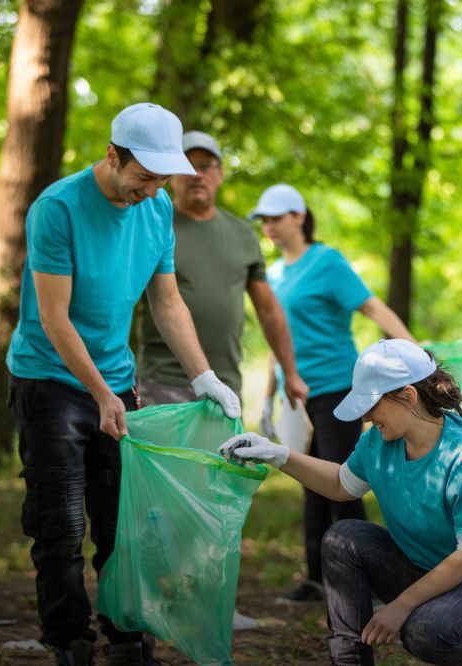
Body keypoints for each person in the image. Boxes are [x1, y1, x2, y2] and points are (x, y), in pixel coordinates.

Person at [6, 103, 241, 666]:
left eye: (162, 179)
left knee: (124, 523)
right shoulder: (57, 208)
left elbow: (166, 300)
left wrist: (203, 375)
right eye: (143, 177)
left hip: (114, 380)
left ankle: (127, 635)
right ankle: (69, 638)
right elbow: (55, 318)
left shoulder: (157, 208)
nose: (152, 190)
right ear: (113, 155)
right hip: (49, 378)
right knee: (60, 523)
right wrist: (100, 393)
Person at [219, 339, 462, 666]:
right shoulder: (379, 442)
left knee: (424, 631)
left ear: (408, 396)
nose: (367, 417)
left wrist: (400, 607)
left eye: (372, 405)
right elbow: (342, 484)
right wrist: (277, 454)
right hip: (426, 569)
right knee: (344, 538)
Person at [137, 130, 307, 631]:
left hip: (224, 389)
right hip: (162, 382)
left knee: (217, 495)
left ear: (220, 173)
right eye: (188, 165)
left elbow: (269, 309)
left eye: (208, 165)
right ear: (173, 173)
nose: (199, 174)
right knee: (163, 501)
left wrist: (291, 371)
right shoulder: (153, 222)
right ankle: (153, 601)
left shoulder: (240, 234)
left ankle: (211, 601)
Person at [249, 184, 417, 603]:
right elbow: (276, 340)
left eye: (276, 217)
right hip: (298, 395)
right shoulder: (273, 274)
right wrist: (268, 397)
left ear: (299, 216)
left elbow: (372, 307)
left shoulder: (326, 262)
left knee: (344, 482)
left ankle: (373, 582)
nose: (268, 225)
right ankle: (317, 580)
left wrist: (414, 352)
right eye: (264, 219)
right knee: (310, 482)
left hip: (338, 388)